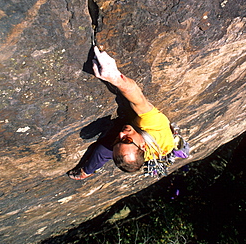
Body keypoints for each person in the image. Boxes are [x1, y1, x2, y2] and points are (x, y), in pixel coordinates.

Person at [68, 46, 175, 180]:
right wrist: (115, 77)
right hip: (157, 139)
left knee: (103, 150)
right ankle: (88, 171)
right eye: (126, 139)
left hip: (147, 145)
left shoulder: (134, 148)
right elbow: (138, 99)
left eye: (118, 140)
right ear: (143, 146)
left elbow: (121, 147)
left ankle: (87, 171)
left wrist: (122, 141)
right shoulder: (154, 125)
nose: (121, 134)